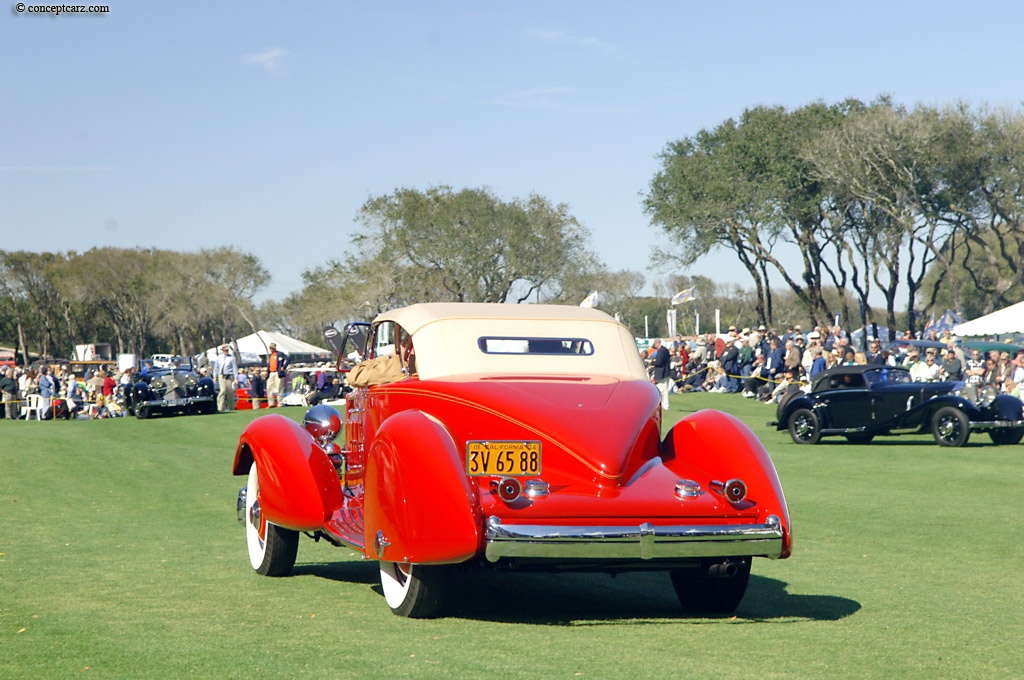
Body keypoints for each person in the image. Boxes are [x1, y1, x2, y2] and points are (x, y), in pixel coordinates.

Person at [213, 345, 238, 412]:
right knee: (223, 391)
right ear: (222, 350)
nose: (226, 351)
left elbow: (234, 368)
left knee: (230, 392)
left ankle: (230, 407)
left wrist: (236, 378)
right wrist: (215, 376)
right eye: (225, 350)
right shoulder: (219, 358)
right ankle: (219, 407)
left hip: (229, 375)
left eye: (227, 350)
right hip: (221, 375)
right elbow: (216, 368)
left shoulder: (232, 358)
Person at [265, 342, 290, 407]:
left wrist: (284, 367)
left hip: (277, 372)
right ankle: (271, 403)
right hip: (271, 372)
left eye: (272, 348)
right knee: (269, 388)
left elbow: (288, 358)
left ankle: (280, 403)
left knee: (279, 388)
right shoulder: (271, 355)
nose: (271, 349)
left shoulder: (279, 354)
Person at [651, 339, 672, 410]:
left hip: (662, 372)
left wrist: (652, 362)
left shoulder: (661, 351)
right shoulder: (664, 350)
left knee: (663, 390)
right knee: (663, 389)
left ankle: (665, 405)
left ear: (657, 343)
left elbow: (659, 362)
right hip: (665, 372)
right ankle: (664, 405)